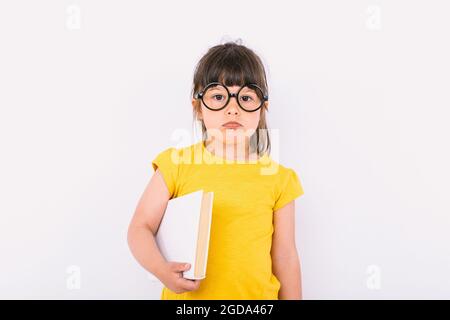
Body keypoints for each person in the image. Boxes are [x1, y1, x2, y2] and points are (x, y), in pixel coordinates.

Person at [127, 41, 305, 299]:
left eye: (246, 97)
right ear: (198, 108)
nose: (233, 108)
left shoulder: (280, 179)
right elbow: (140, 227)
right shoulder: (176, 164)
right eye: (218, 96)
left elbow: (286, 257)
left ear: (262, 108)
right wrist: (161, 270)